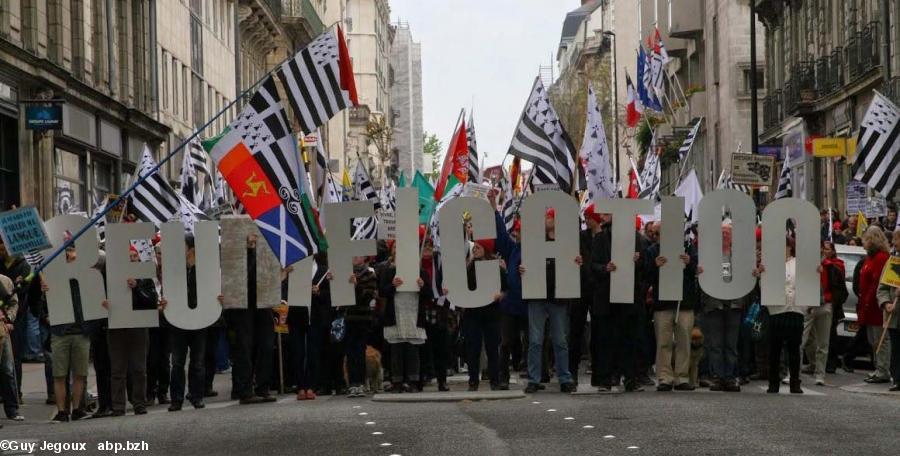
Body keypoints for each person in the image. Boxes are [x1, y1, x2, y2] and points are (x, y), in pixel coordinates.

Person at [44, 246, 102, 422]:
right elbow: (37, 302)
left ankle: (77, 409)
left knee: (80, 373)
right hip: (60, 331)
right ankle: (62, 411)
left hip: (81, 331)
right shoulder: (51, 279)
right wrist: (45, 316)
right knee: (59, 374)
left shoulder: (86, 278)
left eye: (73, 258)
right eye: (68, 258)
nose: (71, 261)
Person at [591, 212, 646, 392]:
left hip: (628, 297)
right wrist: (604, 268)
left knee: (629, 340)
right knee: (606, 340)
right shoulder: (600, 239)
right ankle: (605, 379)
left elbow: (643, 265)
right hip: (606, 297)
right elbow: (592, 265)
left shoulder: (636, 238)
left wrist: (637, 261)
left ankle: (631, 379)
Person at [222, 232, 278, 404]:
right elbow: (242, 276)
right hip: (243, 306)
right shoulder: (237, 257)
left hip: (263, 305)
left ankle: (263, 387)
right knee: (244, 349)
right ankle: (245, 390)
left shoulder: (267, 254)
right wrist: (248, 250)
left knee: (267, 346)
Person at [644, 221, 699, 391]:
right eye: (657, 234)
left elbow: (697, 270)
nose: (658, 237)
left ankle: (681, 377)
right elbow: (646, 274)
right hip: (663, 304)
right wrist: (654, 265)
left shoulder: (687, 248)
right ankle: (664, 377)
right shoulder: (652, 251)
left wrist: (689, 262)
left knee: (684, 341)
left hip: (684, 302)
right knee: (663, 342)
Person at [103, 246, 157, 416]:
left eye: (135, 256)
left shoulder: (144, 278)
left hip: (138, 326)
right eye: (130, 257)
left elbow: (152, 301)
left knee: (139, 368)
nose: (133, 259)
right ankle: (118, 406)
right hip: (117, 326)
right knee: (117, 369)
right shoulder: (111, 278)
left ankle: (139, 403)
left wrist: (137, 287)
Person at [699, 222, 752, 392]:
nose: (724, 235)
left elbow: (746, 277)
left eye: (727, 233)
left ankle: (730, 377)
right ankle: (717, 377)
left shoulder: (740, 256)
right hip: (714, 303)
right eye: (722, 232)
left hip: (734, 303)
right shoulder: (708, 255)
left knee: (731, 343)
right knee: (715, 344)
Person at [377, 241, 431, 392]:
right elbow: (382, 292)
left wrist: (422, 286)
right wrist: (392, 285)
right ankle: (397, 381)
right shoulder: (388, 271)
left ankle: (413, 381)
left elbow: (429, 295)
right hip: (396, 312)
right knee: (396, 350)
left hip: (413, 312)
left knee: (412, 349)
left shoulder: (420, 271)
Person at [756, 236, 804, 394]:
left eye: (786, 246)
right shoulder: (769, 265)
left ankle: (795, 382)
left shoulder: (799, 263)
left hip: (795, 310)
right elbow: (764, 287)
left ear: (791, 247)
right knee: (774, 349)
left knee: (794, 349)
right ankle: (773, 382)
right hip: (777, 311)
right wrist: (760, 274)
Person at [163, 236, 207, 411]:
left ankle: (197, 396)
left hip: (199, 320)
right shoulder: (174, 269)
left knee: (197, 363)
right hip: (178, 322)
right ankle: (177, 399)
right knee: (178, 363)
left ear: (191, 249)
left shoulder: (202, 269)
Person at [460, 239, 506, 391]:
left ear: (486, 249)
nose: (475, 250)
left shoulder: (496, 268)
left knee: (492, 348)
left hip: (491, 313)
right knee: (473, 348)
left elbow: (506, 288)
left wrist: (501, 295)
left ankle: (495, 380)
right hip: (473, 313)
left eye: (478, 247)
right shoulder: (469, 268)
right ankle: (473, 381)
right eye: (474, 248)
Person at [801, 241, 845, 386]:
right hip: (808, 304)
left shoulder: (831, 267)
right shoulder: (804, 266)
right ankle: (794, 372)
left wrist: (831, 302)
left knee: (823, 343)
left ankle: (820, 374)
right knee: (801, 341)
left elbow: (841, 290)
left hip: (824, 305)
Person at [858, 226, 892, 384]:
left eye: (865, 239)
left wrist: (868, 301)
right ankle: (878, 367)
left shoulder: (881, 258)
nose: (863, 243)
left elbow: (876, 282)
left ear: (872, 240)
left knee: (880, 339)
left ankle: (883, 369)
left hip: (875, 305)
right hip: (867, 304)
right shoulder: (869, 258)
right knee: (873, 339)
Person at [419, 236, 451, 392]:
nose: (428, 249)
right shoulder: (415, 263)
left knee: (441, 347)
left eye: (430, 246)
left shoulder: (440, 261)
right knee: (423, 346)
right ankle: (423, 376)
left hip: (439, 307)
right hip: (422, 307)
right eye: (424, 246)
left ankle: (442, 380)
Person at [345, 255, 378, 398]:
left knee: (359, 351)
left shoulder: (370, 274)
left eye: (358, 256)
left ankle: (361, 383)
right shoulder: (344, 273)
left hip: (362, 318)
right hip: (348, 317)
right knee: (350, 352)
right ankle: (352, 383)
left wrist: (356, 285)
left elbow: (367, 296)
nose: (355, 258)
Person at [147, 244, 171, 405]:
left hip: (167, 321)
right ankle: (150, 393)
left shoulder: (171, 274)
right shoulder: (149, 275)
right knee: (151, 359)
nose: (160, 256)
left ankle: (163, 392)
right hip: (151, 321)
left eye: (163, 253)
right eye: (158, 253)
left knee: (164, 359)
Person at [876, 229, 899, 391]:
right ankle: (898, 378)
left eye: (897, 240)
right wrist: (886, 303)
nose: (894, 243)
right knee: (896, 349)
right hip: (895, 315)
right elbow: (882, 288)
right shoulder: (892, 262)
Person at [0, 271, 24, 422]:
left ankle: (12, 409)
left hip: (2, 329)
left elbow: (13, 302)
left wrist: (9, 319)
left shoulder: (4, 281)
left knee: (7, 369)